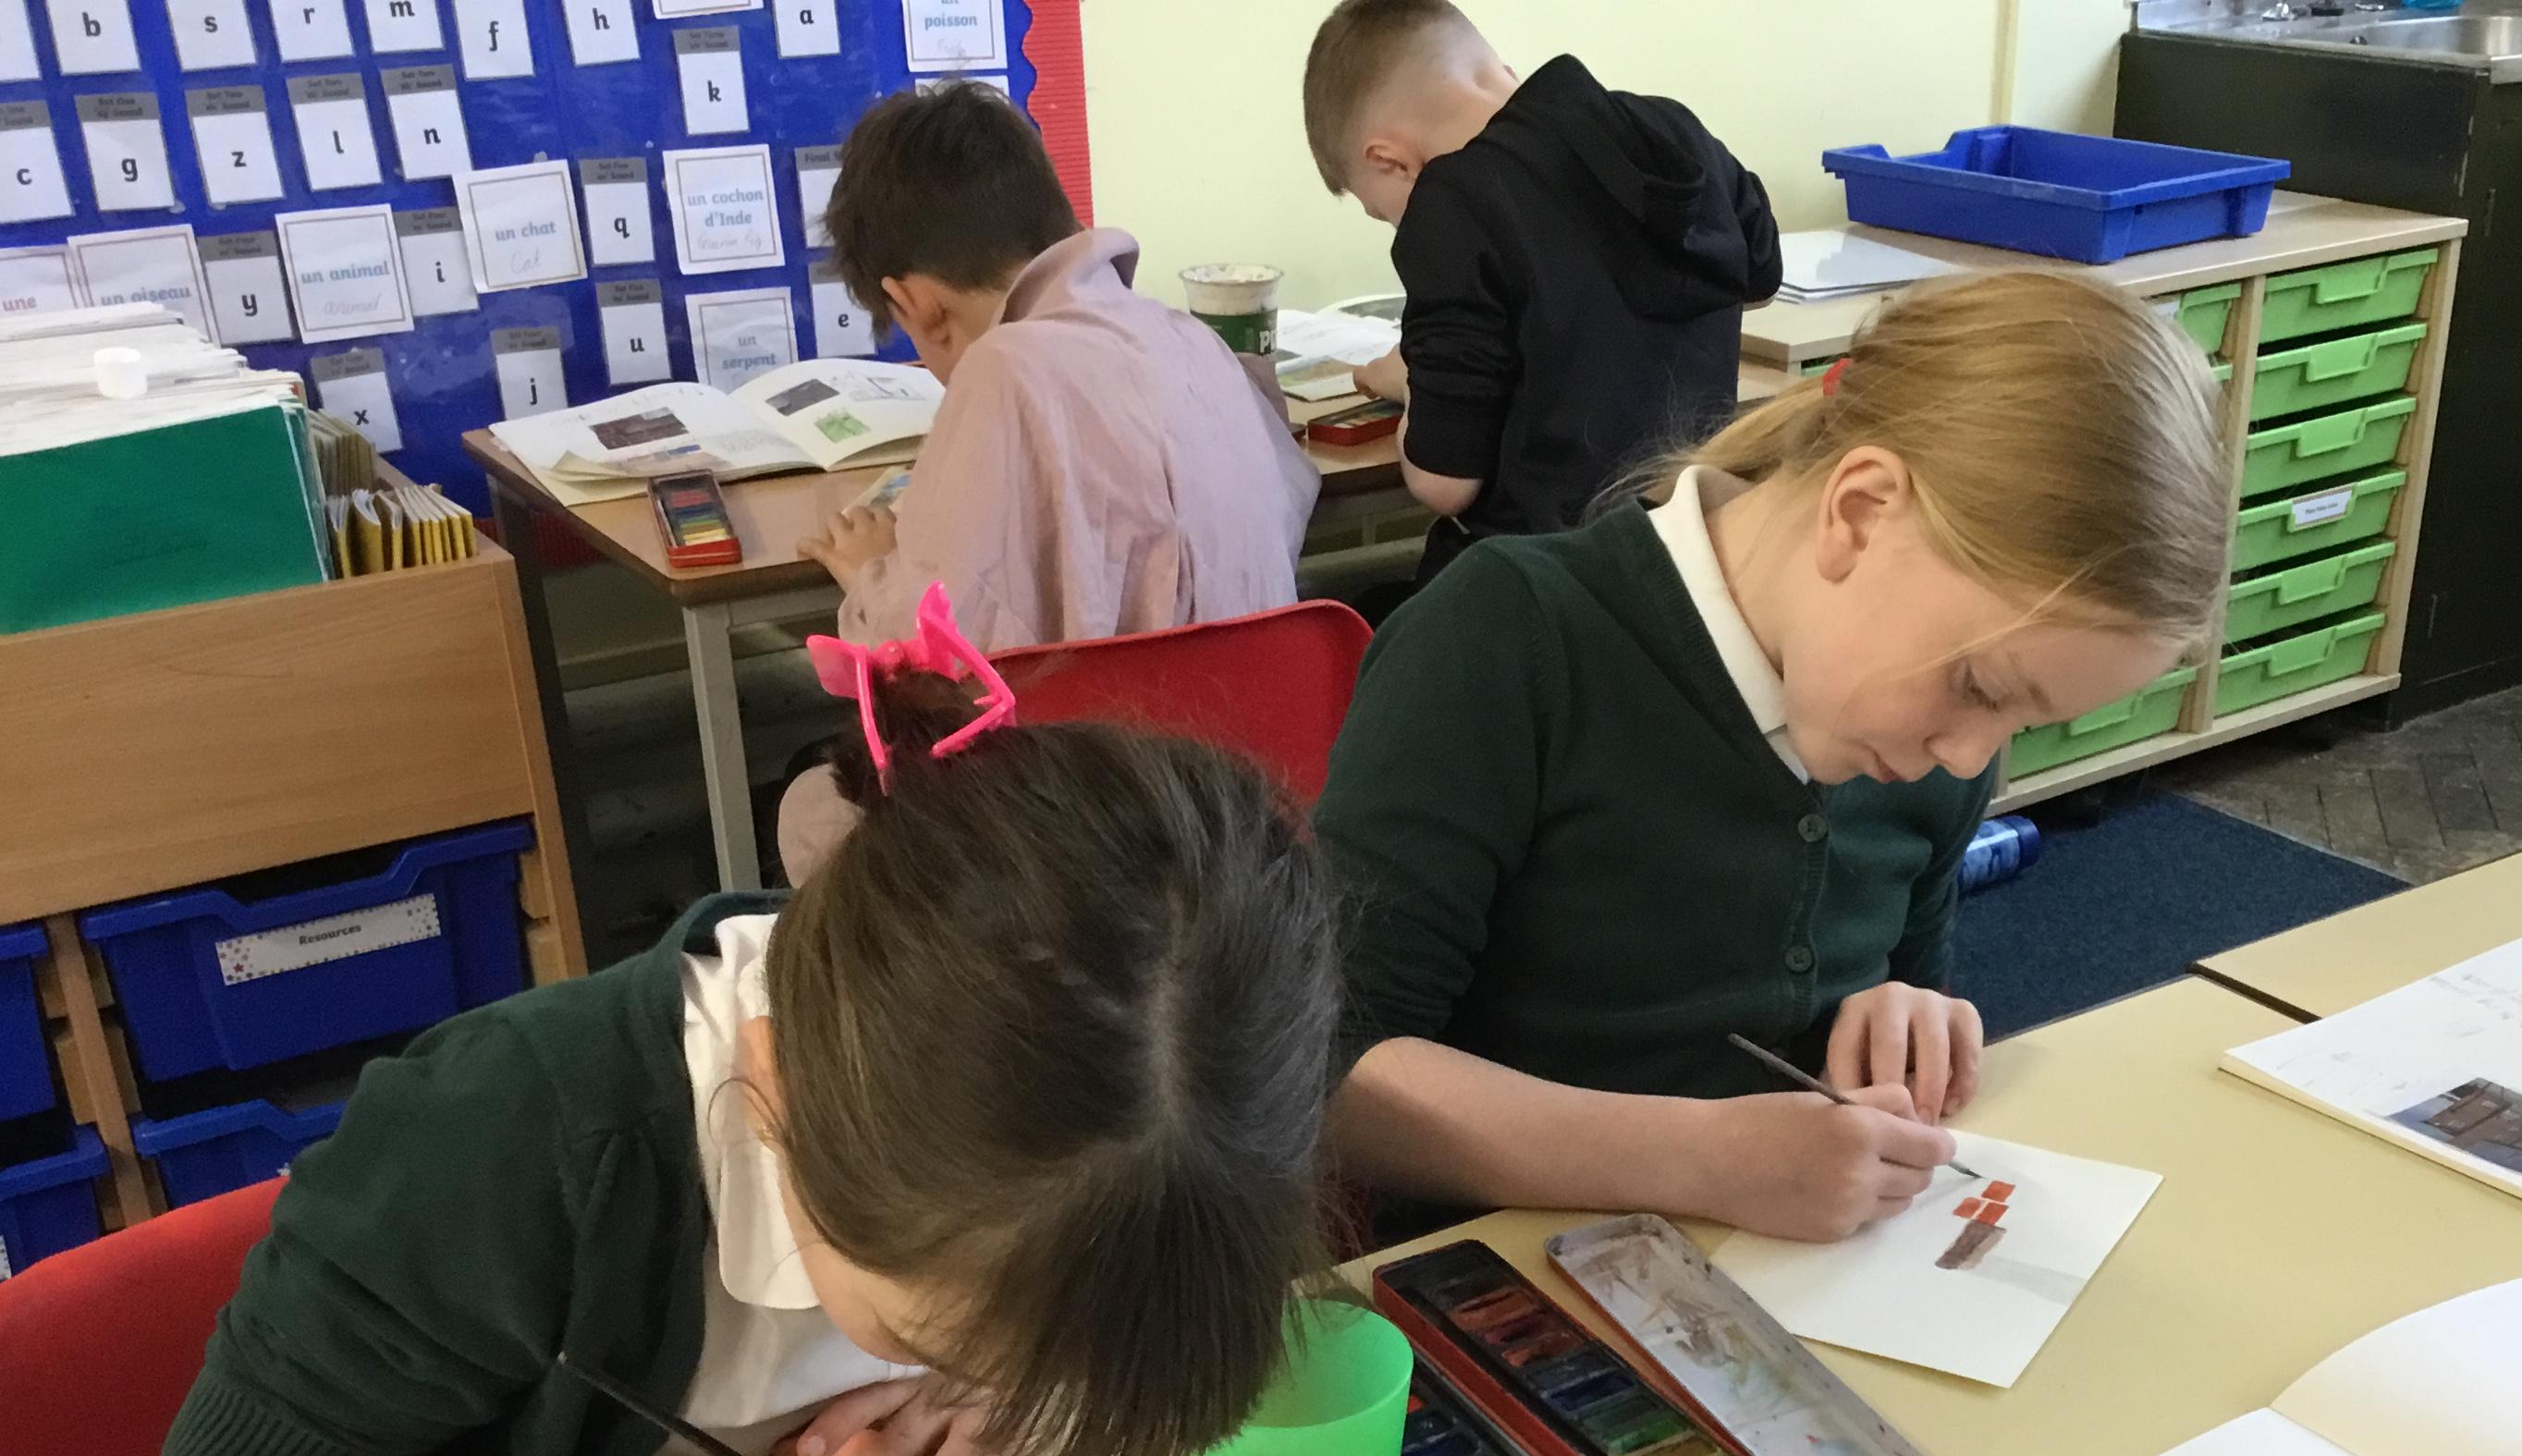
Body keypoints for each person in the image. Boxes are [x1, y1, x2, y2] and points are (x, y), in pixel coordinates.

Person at [157, 589, 1343, 1456]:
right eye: (926, 1337)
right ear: (770, 1092)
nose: (997, 1377)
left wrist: (1000, 1394)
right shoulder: (504, 1145)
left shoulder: (1175, 1082)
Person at [1313, 270, 2234, 1243]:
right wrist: (1705, 1160)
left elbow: (1882, 1003)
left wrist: (1898, 1017)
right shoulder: (1506, 640)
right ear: (1860, 513)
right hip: (1512, 1274)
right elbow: (1325, 1079)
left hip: (1798, 1274)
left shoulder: (1923, 750)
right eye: (1978, 686)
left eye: (2022, 724)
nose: (1970, 760)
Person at [781, 81, 1319, 880]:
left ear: (918, 305)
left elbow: (930, 662)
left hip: (1089, 843)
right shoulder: (1193, 340)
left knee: (811, 809)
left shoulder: (1001, 371)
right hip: (1253, 814)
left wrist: (869, 577)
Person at [1301, 0, 1779, 586]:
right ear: (1501, 72)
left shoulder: (1451, 201)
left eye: (1383, 212)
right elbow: (1758, 281)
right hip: (1698, 565)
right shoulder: (1672, 128)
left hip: (1548, 585)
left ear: (1391, 160)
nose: (1399, 223)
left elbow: (1443, 483)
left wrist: (1412, 383)